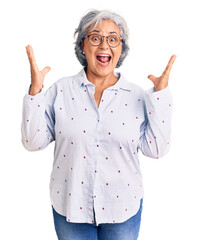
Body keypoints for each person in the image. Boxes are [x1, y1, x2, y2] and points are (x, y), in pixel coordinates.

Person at [21, 9, 176, 240]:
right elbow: (32, 142)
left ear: (121, 48)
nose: (105, 45)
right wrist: (35, 91)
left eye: (113, 39)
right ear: (83, 45)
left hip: (122, 209)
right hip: (70, 208)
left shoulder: (137, 95)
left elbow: (156, 150)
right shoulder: (61, 90)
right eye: (95, 37)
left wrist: (161, 96)